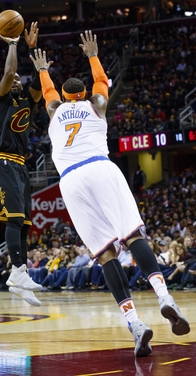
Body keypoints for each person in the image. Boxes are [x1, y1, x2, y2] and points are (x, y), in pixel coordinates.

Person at [30, 30, 190, 357]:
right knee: (132, 235)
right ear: (85, 94)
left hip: (70, 181)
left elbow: (47, 92)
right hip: (100, 168)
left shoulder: (56, 111)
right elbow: (103, 82)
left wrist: (42, 67)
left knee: (105, 254)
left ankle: (134, 323)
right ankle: (164, 297)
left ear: (63, 96)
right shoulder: (96, 105)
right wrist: (92, 54)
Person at [0, 22, 43, 307]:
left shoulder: (27, 101)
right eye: (15, 79)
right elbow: (10, 72)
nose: (17, 79)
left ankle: (19, 275)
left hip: (20, 165)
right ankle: (17, 273)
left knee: (24, 225)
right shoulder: (0, 100)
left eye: (21, 79)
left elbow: (38, 87)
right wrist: (13, 42)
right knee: (14, 219)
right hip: (3, 161)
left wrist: (33, 52)